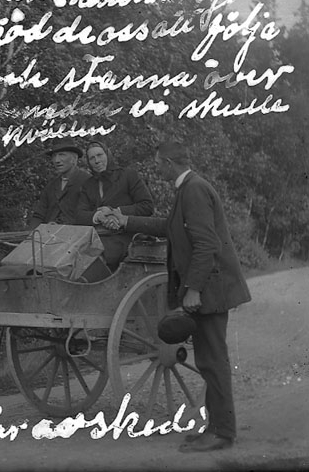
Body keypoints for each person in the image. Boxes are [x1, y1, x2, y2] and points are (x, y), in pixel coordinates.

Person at [111, 140, 252, 453]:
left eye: (158, 163)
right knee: (209, 360)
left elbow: (206, 245)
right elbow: (170, 227)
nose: (156, 168)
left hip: (210, 289)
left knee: (213, 361)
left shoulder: (194, 190)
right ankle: (216, 428)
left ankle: (221, 432)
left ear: (168, 163)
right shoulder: (187, 188)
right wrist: (127, 221)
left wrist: (193, 289)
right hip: (207, 287)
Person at [75, 140, 153, 269]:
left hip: (126, 236)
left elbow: (147, 206)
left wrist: (115, 212)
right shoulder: (88, 185)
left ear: (108, 155)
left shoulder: (128, 176)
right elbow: (79, 215)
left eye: (100, 155)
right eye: (92, 158)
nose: (97, 161)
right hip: (97, 236)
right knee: (71, 255)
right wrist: (99, 216)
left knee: (97, 259)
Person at [28, 138, 90, 230]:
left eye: (62, 155)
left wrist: (62, 228)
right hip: (49, 235)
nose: (57, 160)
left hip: (77, 235)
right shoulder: (51, 186)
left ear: (74, 158)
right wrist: (36, 231)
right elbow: (39, 215)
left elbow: (88, 215)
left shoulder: (88, 182)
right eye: (54, 156)